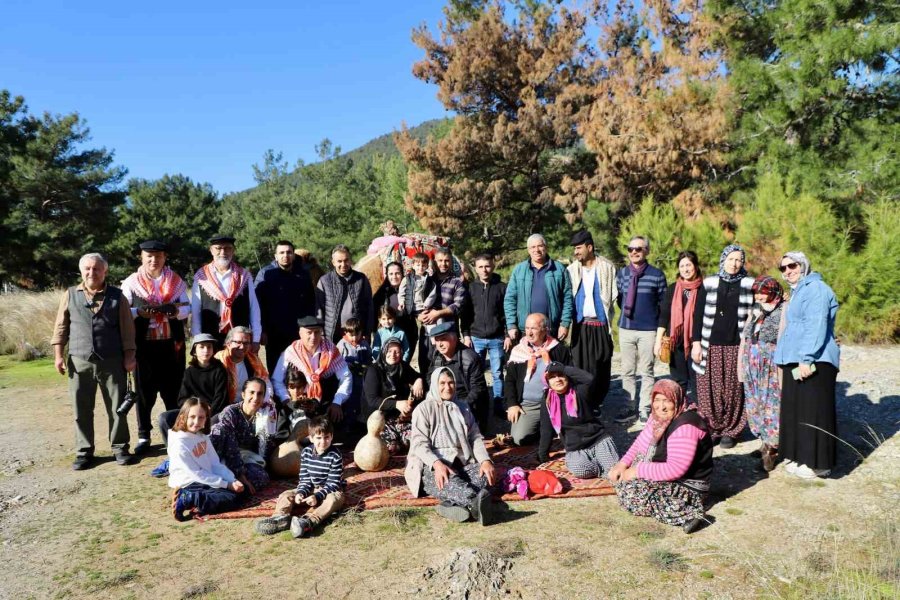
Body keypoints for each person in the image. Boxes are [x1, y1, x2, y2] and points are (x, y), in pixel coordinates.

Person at [52, 252, 138, 470]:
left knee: (117, 408)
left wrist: (129, 356)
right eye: (88, 269)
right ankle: (84, 451)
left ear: (105, 271)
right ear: (82, 271)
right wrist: (58, 355)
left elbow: (128, 331)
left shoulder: (118, 297)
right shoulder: (70, 294)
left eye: (97, 268)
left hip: (112, 361)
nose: (92, 272)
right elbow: (61, 327)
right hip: (79, 361)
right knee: (81, 408)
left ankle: (120, 448)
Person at [608, 380, 713, 534]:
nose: (661, 406)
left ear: (677, 400)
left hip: (688, 484)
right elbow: (640, 442)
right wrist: (623, 464)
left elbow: (676, 469)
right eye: (657, 400)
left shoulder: (686, 426)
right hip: (664, 467)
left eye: (667, 401)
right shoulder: (658, 416)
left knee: (633, 495)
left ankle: (689, 514)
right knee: (621, 479)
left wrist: (637, 471)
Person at [774, 252, 840, 479]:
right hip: (797, 358)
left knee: (815, 411)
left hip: (815, 360)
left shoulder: (816, 289)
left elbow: (816, 324)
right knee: (798, 410)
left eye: (792, 265)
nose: (788, 271)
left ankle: (819, 464)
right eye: (783, 268)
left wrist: (807, 357)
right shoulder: (798, 292)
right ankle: (802, 456)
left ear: (803, 265)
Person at [120, 240, 190, 454]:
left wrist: (174, 312)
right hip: (144, 346)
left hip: (171, 345)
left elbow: (187, 308)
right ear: (141, 257)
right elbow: (124, 311)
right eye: (149, 256)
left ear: (164, 257)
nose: (154, 260)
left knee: (174, 390)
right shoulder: (132, 282)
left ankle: (176, 432)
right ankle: (144, 435)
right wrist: (139, 313)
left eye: (158, 256)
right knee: (144, 391)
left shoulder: (175, 281)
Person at [405, 368, 496, 525]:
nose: (447, 387)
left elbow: (475, 437)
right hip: (432, 465)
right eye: (442, 383)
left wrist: (485, 460)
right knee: (444, 480)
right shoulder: (423, 409)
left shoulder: (463, 407)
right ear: (434, 384)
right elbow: (419, 445)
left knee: (485, 476)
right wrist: (437, 464)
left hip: (462, 464)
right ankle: (475, 504)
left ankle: (451, 506)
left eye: (451, 382)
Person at [690, 244, 755, 448]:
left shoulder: (749, 283)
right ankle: (712, 428)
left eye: (739, 260)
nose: (734, 264)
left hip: (737, 345)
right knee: (709, 389)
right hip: (711, 344)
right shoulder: (709, 282)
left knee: (734, 389)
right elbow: (698, 314)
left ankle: (731, 431)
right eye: (731, 259)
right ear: (723, 260)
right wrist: (696, 343)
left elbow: (766, 301)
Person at [255, 416, 346, 537]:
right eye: (319, 438)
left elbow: (333, 483)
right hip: (312, 488)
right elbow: (305, 479)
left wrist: (317, 497)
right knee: (286, 495)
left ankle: (308, 521)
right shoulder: (306, 453)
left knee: (333, 500)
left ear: (332, 437)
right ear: (311, 438)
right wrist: (301, 493)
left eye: (326, 437)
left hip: (331, 490)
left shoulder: (336, 455)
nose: (323, 441)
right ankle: (280, 518)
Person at [614, 236, 667, 424]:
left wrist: (661, 331)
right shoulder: (621, 274)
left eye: (638, 248)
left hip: (648, 330)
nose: (634, 252)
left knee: (647, 370)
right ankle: (629, 407)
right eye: (630, 249)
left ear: (647, 251)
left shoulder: (657, 275)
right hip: (626, 328)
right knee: (627, 370)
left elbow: (663, 305)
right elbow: (620, 300)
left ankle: (644, 408)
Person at [538, 363, 619, 479]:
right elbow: (546, 428)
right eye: (552, 377)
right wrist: (542, 455)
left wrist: (564, 368)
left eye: (561, 375)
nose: (558, 379)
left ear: (567, 377)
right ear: (547, 381)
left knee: (614, 470)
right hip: (576, 447)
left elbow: (589, 379)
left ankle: (606, 468)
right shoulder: (547, 400)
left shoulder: (579, 391)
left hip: (597, 439)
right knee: (580, 470)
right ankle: (602, 470)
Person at [168, 398, 245, 521]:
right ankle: (189, 498)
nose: (196, 421)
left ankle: (199, 500)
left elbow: (215, 464)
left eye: (201, 417)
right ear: (183, 417)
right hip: (189, 482)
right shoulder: (179, 443)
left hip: (205, 478)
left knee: (240, 494)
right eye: (192, 417)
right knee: (232, 500)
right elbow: (196, 473)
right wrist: (226, 484)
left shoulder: (202, 437)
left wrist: (232, 479)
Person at [738, 276, 786, 471]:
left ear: (773, 291)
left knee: (771, 406)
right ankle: (763, 441)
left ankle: (772, 448)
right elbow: (745, 338)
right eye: (756, 292)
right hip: (751, 365)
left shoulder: (784, 311)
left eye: (763, 292)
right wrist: (741, 366)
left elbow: (784, 339)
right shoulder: (755, 311)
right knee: (754, 404)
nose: (759, 296)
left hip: (771, 367)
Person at [504, 313, 572, 445]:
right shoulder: (518, 351)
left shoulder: (558, 350)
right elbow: (510, 381)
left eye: (533, 328)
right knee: (519, 439)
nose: (529, 333)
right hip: (529, 405)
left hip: (553, 402)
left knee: (571, 437)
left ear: (545, 330)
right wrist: (512, 404)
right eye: (527, 328)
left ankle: (551, 427)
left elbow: (569, 376)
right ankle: (544, 429)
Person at [271, 316, 352, 426]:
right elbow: (277, 380)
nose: (313, 337)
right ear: (300, 334)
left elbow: (346, 377)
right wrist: (287, 400)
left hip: (325, 401)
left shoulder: (331, 350)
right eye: (309, 333)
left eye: (317, 332)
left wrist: (337, 402)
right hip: (297, 402)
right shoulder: (290, 352)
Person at [567, 230, 617, 407]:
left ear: (590, 247)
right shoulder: (571, 270)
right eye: (574, 248)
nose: (576, 252)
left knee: (602, 366)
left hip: (601, 325)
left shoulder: (607, 267)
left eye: (579, 248)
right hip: (580, 326)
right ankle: (584, 403)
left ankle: (597, 403)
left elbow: (614, 296)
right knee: (580, 366)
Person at [190, 234, 261, 351]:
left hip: (239, 338)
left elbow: (254, 308)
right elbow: (196, 311)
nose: (223, 252)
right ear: (211, 250)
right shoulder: (201, 276)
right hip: (210, 338)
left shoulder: (244, 276)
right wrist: (198, 338)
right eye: (218, 248)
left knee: (241, 369)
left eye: (227, 248)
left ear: (233, 251)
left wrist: (256, 338)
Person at [254, 240, 315, 373]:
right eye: (281, 252)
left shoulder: (303, 274)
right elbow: (258, 305)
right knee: (276, 369)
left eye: (288, 252)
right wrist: (262, 330)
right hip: (274, 333)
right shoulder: (265, 274)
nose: (285, 255)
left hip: (297, 331)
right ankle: (276, 394)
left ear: (293, 255)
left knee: (299, 369)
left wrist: (310, 328)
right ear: (275, 256)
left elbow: (311, 302)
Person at [461, 253, 510, 419]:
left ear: (493, 266)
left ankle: (498, 405)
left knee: (497, 373)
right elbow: (465, 314)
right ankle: (480, 405)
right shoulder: (470, 288)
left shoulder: (502, 287)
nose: (484, 270)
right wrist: (466, 335)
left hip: (497, 338)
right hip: (476, 338)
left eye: (487, 266)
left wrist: (507, 335)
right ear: (475, 268)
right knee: (476, 374)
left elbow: (507, 313)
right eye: (481, 267)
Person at [210, 378, 277, 494]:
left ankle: (231, 486)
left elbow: (266, 448)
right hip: (222, 456)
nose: (255, 398)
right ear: (243, 395)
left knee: (262, 476)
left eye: (260, 394)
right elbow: (229, 445)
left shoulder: (265, 415)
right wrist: (240, 475)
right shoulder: (231, 412)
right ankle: (226, 482)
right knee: (219, 430)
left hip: (245, 458)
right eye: (251, 393)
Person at [504, 234, 573, 344]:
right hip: (526, 331)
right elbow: (510, 300)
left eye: (540, 246)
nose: (536, 250)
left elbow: (568, 299)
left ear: (546, 247)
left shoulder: (559, 269)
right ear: (528, 250)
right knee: (528, 360)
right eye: (533, 247)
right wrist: (511, 325)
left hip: (551, 329)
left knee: (551, 361)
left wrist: (564, 324)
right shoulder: (519, 270)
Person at [655, 250, 703, 402]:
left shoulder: (704, 289)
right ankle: (679, 414)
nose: (685, 269)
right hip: (675, 343)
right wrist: (658, 341)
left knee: (697, 382)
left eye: (689, 265)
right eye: (682, 266)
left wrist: (698, 344)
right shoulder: (672, 288)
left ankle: (697, 417)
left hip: (697, 343)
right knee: (678, 381)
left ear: (695, 266)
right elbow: (664, 316)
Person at [362, 338, 425, 453]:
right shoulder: (374, 370)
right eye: (390, 351)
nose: (393, 355)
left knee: (415, 442)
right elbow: (372, 400)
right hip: (380, 419)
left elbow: (417, 376)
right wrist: (397, 404)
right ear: (384, 351)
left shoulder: (403, 367)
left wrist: (419, 380)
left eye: (397, 351)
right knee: (391, 448)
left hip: (400, 418)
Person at [427, 322, 491, 433]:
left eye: (443, 339)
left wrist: (458, 407)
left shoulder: (470, 358)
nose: (440, 344)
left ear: (455, 338)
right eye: (437, 340)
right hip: (443, 400)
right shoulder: (437, 355)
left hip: (466, 404)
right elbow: (430, 377)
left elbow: (477, 389)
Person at [419, 248, 468, 375]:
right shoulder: (426, 280)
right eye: (440, 260)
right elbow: (416, 301)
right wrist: (418, 315)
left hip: (449, 330)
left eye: (447, 261)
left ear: (451, 262)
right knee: (426, 362)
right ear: (434, 262)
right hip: (427, 330)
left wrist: (438, 313)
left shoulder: (457, 282)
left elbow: (458, 305)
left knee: (449, 364)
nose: (443, 264)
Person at [316, 245, 374, 344]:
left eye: (346, 260)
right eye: (339, 261)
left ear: (350, 260)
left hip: (356, 335)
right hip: (332, 336)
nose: (343, 264)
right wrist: (321, 335)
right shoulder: (324, 281)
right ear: (333, 262)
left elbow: (369, 307)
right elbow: (319, 310)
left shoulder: (361, 279)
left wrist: (367, 332)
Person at [214, 326, 270, 405]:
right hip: (222, 406)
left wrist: (267, 401)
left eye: (246, 343)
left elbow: (265, 382)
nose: (242, 347)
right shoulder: (218, 360)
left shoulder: (253, 360)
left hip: (248, 405)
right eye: (238, 342)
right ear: (228, 343)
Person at [374, 261, 417, 354]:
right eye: (391, 274)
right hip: (388, 335)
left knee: (405, 362)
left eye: (397, 273)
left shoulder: (411, 290)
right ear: (387, 275)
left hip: (408, 332)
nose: (394, 276)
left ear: (402, 273)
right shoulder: (381, 293)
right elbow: (375, 315)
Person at [335, 318, 371, 427]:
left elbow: (369, 358)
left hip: (361, 377)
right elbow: (337, 361)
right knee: (349, 399)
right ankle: (347, 422)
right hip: (347, 377)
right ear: (346, 333)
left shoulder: (364, 343)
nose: (354, 338)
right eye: (351, 335)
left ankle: (361, 420)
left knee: (361, 397)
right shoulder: (342, 344)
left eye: (357, 334)